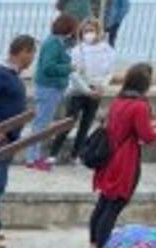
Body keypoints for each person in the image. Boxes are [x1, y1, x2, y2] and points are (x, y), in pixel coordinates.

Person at [91, 63, 156, 248]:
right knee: (115, 203)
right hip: (125, 159)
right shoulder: (140, 106)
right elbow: (146, 136)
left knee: (104, 201)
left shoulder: (118, 100)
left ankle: (93, 242)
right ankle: (102, 245)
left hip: (109, 155)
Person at [0, 35, 36, 204]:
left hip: (7, 139)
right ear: (24, 51)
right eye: (32, 54)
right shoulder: (1, 73)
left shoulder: (12, 75)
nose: (33, 59)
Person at [50, 17, 116, 165]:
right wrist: (86, 90)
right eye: (86, 31)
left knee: (86, 124)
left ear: (98, 32)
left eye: (92, 30)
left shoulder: (108, 51)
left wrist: (102, 86)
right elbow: (74, 74)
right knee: (68, 122)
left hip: (96, 90)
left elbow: (109, 72)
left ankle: (76, 155)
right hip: (79, 91)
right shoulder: (76, 50)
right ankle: (53, 153)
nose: (89, 34)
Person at [24, 14, 76, 171]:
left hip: (52, 88)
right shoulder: (54, 43)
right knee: (41, 124)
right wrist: (68, 68)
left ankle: (34, 156)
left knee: (42, 123)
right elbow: (48, 67)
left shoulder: (57, 42)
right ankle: (32, 158)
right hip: (49, 88)